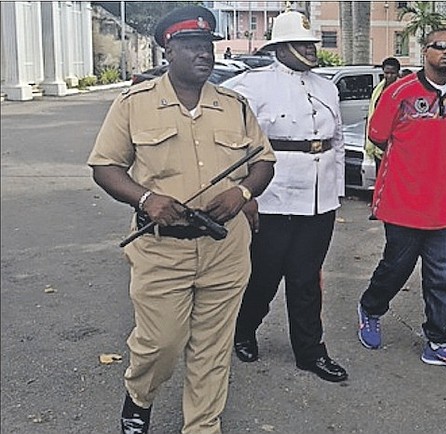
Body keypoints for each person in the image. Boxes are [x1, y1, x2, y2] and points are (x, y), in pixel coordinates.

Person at [87, 6, 276, 434]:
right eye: (191, 45)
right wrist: (146, 198)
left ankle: (202, 425)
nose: (203, 54)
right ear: (168, 51)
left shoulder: (235, 105)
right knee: (161, 345)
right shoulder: (134, 104)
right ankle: (139, 397)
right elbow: (105, 167)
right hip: (161, 248)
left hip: (225, 248)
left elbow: (263, 161)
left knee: (212, 348)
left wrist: (243, 192)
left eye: (207, 45)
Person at [224, 10, 348, 383]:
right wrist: (245, 194)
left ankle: (311, 352)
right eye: (301, 43)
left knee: (307, 279)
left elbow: (336, 143)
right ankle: (243, 330)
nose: (310, 50)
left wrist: (334, 191)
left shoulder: (327, 87)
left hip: (317, 198)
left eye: (312, 43)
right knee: (263, 277)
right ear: (279, 46)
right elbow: (234, 147)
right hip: (273, 197)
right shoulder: (248, 87)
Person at [356, 29, 446, 374]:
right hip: (402, 202)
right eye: (441, 46)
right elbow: (377, 135)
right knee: (396, 268)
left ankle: (438, 342)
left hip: (442, 207)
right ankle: (371, 308)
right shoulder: (400, 92)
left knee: (442, 276)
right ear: (425, 51)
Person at [365, 57, 401, 172]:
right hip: (378, 145)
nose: (389, 76)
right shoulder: (378, 90)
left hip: (395, 145)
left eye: (392, 73)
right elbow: (371, 114)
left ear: (398, 73)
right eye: (386, 73)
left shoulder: (402, 90)